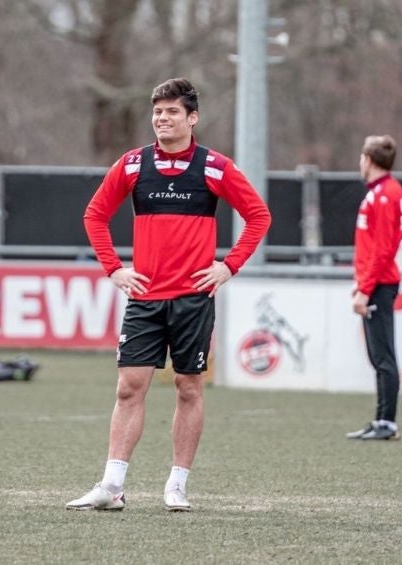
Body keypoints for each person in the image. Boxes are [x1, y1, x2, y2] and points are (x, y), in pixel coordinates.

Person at [67, 78, 271, 512]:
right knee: (129, 387)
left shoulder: (216, 167)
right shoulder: (133, 164)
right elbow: (95, 215)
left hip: (193, 299)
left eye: (171, 111)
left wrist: (227, 265)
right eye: (157, 111)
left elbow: (258, 216)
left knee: (188, 387)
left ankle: (177, 486)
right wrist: (115, 269)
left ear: (192, 118)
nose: (161, 118)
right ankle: (112, 486)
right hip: (145, 298)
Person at [346, 135, 402, 441]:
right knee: (378, 357)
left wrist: (365, 288)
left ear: (369, 160)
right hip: (376, 282)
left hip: (381, 284)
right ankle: (382, 419)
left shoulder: (385, 195)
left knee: (383, 357)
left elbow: (383, 250)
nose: (360, 162)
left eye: (361, 157)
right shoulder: (383, 193)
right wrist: (361, 283)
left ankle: (387, 422)